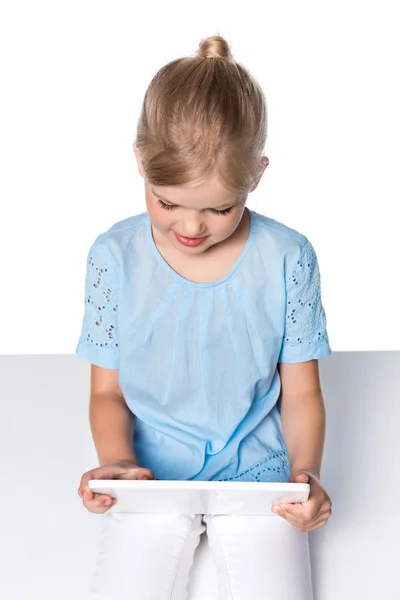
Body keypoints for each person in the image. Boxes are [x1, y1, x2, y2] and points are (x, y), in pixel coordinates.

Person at [76, 34, 333, 600]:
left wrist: (307, 474)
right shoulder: (113, 257)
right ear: (140, 162)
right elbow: (106, 394)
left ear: (257, 176)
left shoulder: (289, 256)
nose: (191, 229)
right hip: (148, 476)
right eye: (168, 203)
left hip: (261, 476)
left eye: (220, 208)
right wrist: (115, 461)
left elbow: (301, 392)